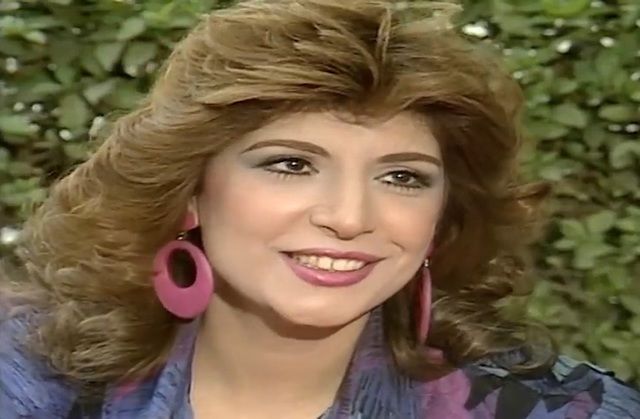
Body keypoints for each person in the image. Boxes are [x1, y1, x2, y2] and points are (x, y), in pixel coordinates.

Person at [1, 0, 639, 418]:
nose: (349, 217)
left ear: (441, 221)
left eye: (402, 177)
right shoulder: (28, 378)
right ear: (191, 192)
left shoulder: (561, 411)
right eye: (290, 165)